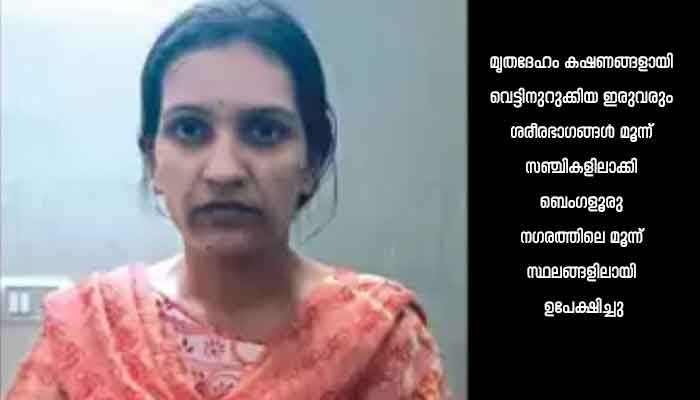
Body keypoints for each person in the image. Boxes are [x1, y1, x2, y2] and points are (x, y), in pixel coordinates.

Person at [5, 1, 453, 398]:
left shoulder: (378, 341)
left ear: (312, 163)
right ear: (152, 161)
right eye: (189, 129)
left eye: (264, 131)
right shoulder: (89, 334)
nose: (224, 171)